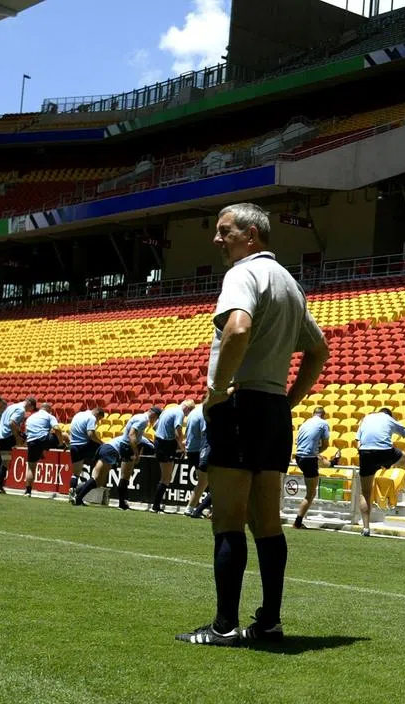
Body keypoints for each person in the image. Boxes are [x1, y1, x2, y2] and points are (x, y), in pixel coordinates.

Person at [177, 202, 329, 647]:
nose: (216, 240)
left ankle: (224, 625)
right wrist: (288, 400)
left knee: (227, 519)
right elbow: (318, 350)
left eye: (225, 232)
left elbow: (238, 329)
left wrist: (218, 391)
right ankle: (269, 622)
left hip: (240, 404)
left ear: (251, 235)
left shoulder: (243, 274)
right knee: (268, 522)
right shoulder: (290, 283)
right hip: (272, 410)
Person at [356, 408, 405, 537]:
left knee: (365, 492)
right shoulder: (389, 419)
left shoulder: (365, 419)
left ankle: (366, 528)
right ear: (389, 415)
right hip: (384, 451)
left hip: (365, 453)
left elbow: (358, 442)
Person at [152, 399, 196, 514]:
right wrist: (183, 448)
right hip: (166, 444)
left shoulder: (169, 409)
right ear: (187, 408)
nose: (186, 415)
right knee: (166, 478)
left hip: (159, 442)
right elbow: (178, 432)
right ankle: (156, 506)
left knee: (165, 477)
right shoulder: (179, 413)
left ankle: (156, 505)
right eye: (188, 413)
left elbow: (155, 426)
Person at [293, 406, 333, 529]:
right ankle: (297, 522)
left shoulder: (305, 423)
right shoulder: (323, 424)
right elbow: (326, 445)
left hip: (299, 457)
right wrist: (317, 451)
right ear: (324, 414)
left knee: (321, 461)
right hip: (308, 458)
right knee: (311, 493)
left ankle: (331, 464)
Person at [115, 406, 161, 510]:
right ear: (154, 415)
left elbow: (136, 435)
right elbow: (132, 435)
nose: (155, 420)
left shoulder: (140, 417)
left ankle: (123, 501)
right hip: (128, 446)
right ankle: (122, 503)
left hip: (127, 446)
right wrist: (136, 453)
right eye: (156, 418)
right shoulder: (143, 420)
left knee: (126, 475)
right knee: (125, 475)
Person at [0, 395, 37, 494]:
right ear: (29, 404)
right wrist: (17, 437)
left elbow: (2, 419)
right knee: (29, 438)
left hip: (2, 436)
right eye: (31, 408)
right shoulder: (21, 410)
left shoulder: (12, 406)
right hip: (7, 437)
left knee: (5, 461)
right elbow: (12, 423)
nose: (30, 411)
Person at [24, 402, 67, 497]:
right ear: (49, 410)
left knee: (31, 468)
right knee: (64, 435)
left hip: (32, 442)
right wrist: (60, 443)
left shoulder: (30, 417)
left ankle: (28, 491)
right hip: (44, 440)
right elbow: (57, 429)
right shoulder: (49, 416)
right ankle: (67, 447)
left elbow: (26, 433)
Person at [66, 407, 105, 501]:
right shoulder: (91, 418)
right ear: (97, 413)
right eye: (99, 419)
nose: (98, 421)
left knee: (76, 473)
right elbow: (91, 434)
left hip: (74, 446)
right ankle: (94, 479)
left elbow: (71, 430)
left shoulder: (78, 414)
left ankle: (72, 494)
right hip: (84, 445)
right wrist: (101, 442)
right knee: (104, 453)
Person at [184, 403, 212, 519]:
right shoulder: (204, 412)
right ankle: (193, 509)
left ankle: (191, 508)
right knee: (206, 482)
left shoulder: (193, 412)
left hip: (191, 449)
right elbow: (205, 433)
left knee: (203, 482)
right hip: (199, 450)